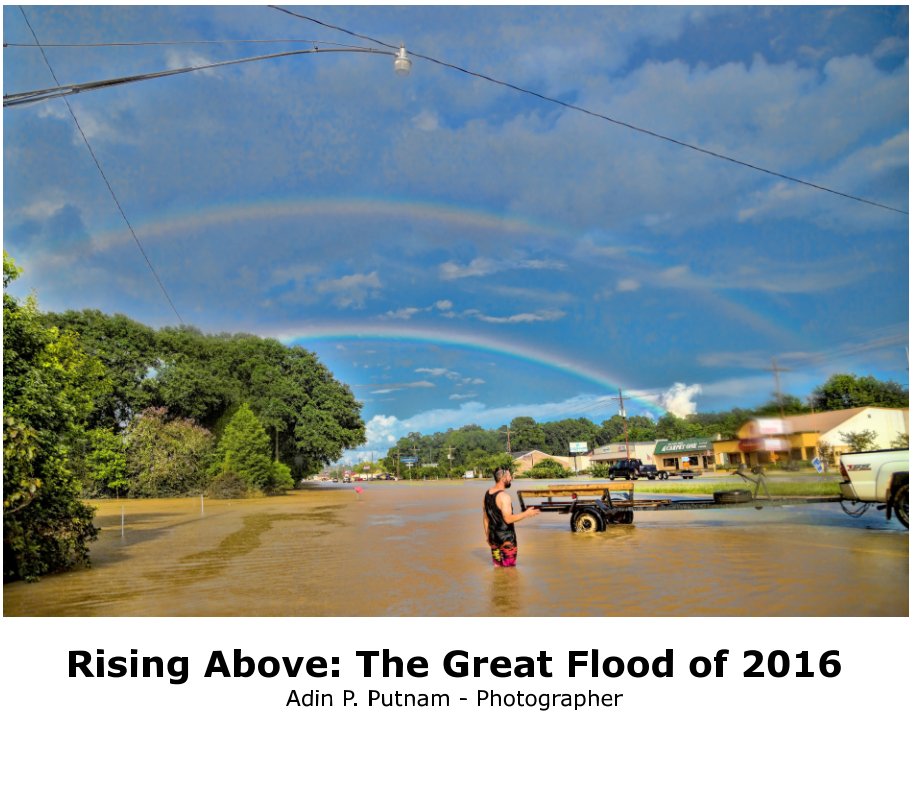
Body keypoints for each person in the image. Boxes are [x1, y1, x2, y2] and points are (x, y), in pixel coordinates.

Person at [483, 467, 540, 567]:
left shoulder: (487, 494)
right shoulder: (504, 497)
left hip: (494, 539)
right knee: (510, 570)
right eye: (509, 476)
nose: (511, 478)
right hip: (507, 540)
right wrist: (526, 514)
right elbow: (508, 519)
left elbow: (485, 517)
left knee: (497, 567)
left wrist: (487, 536)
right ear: (503, 478)